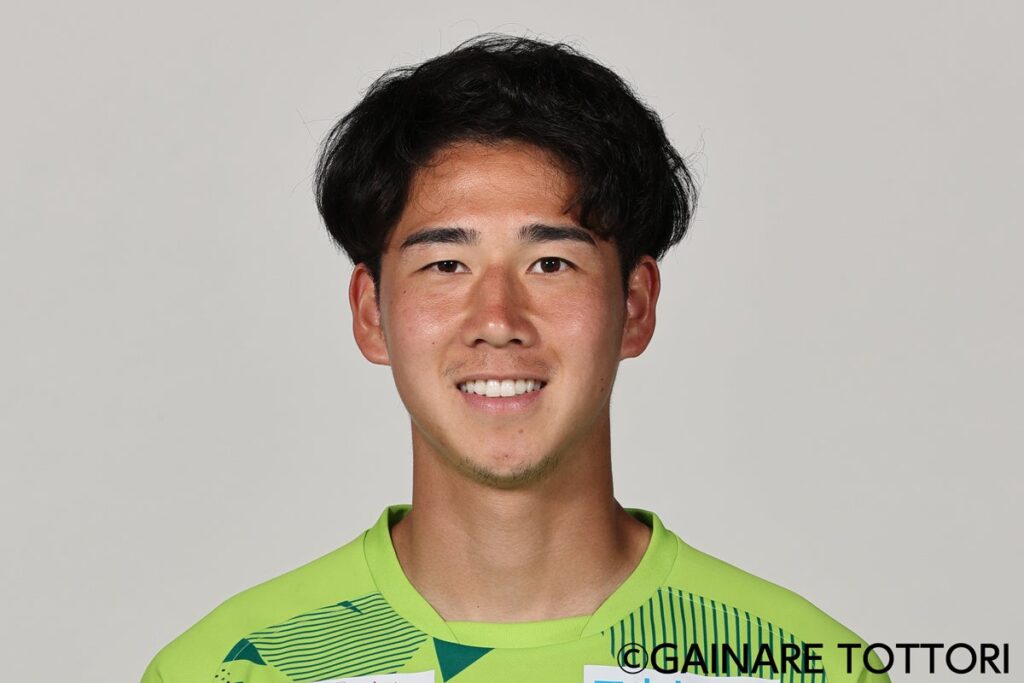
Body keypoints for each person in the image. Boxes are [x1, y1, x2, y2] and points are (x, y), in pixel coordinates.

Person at [141, 34, 888, 683]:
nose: (498, 321)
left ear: (635, 305)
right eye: (446, 266)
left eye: (551, 264)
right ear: (371, 314)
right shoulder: (237, 666)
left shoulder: (799, 663)